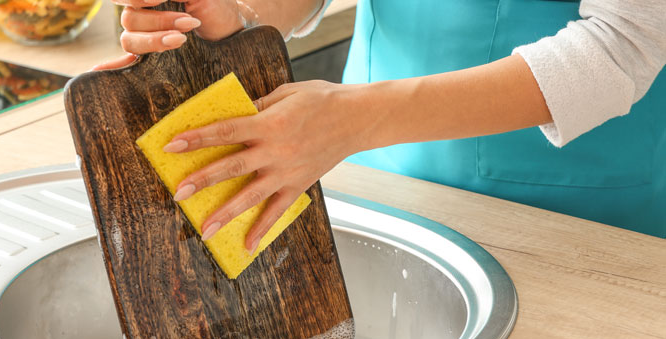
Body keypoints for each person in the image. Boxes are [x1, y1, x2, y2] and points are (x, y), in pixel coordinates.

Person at [97, 0, 666, 251]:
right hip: (370, 181)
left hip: (578, 220)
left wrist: (354, 118)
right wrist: (243, 14)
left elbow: (622, 44)